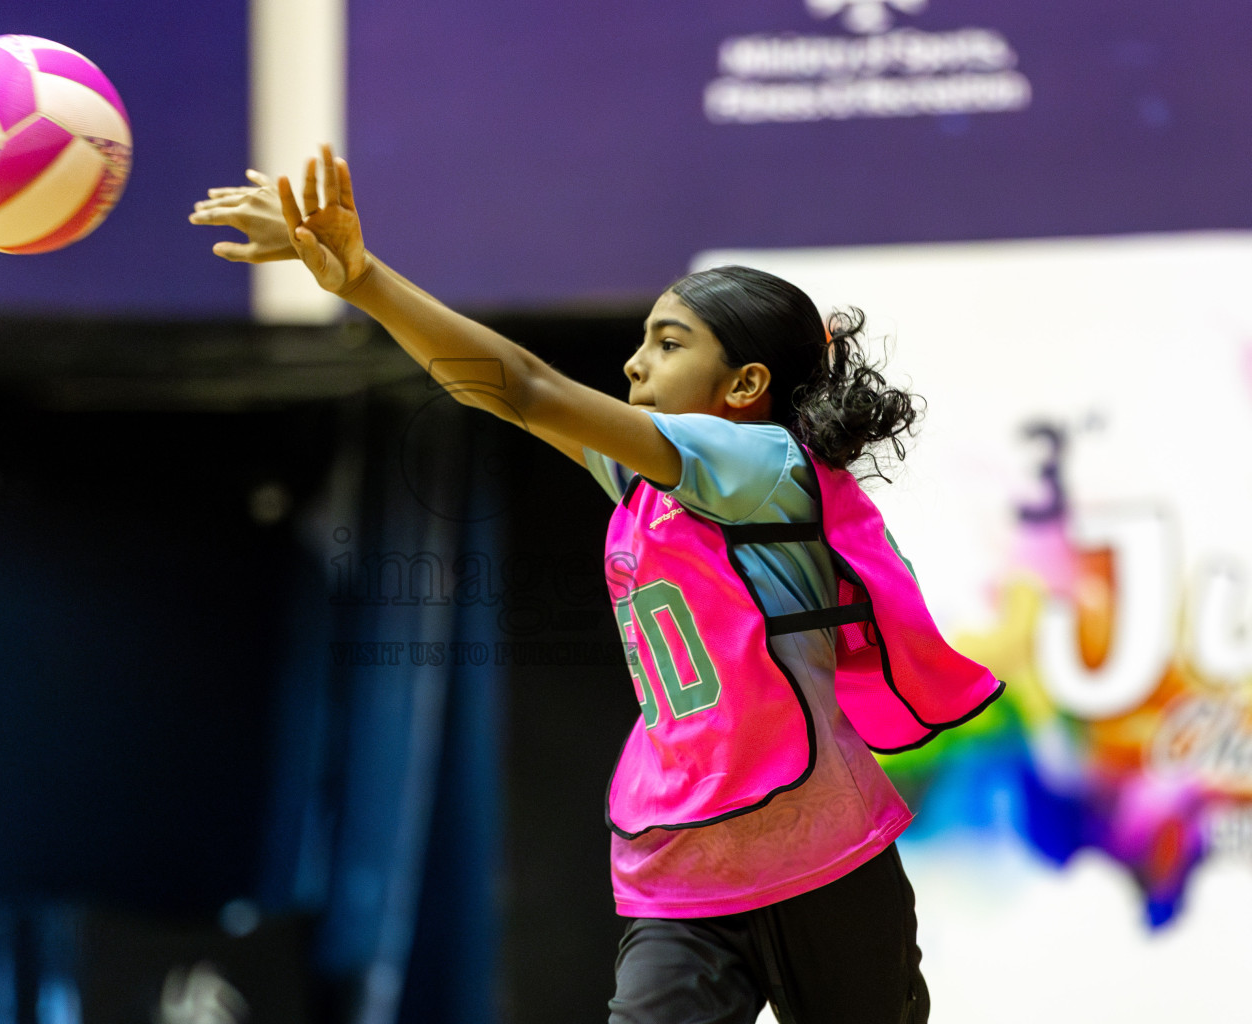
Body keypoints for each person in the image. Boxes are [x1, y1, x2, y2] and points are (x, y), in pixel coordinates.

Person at [192, 149, 1003, 1023]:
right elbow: (496, 395)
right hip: (682, 868)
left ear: (746, 387)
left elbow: (531, 388)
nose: (634, 364)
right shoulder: (646, 480)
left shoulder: (762, 462)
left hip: (824, 860)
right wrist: (356, 281)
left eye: (669, 342)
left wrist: (366, 279)